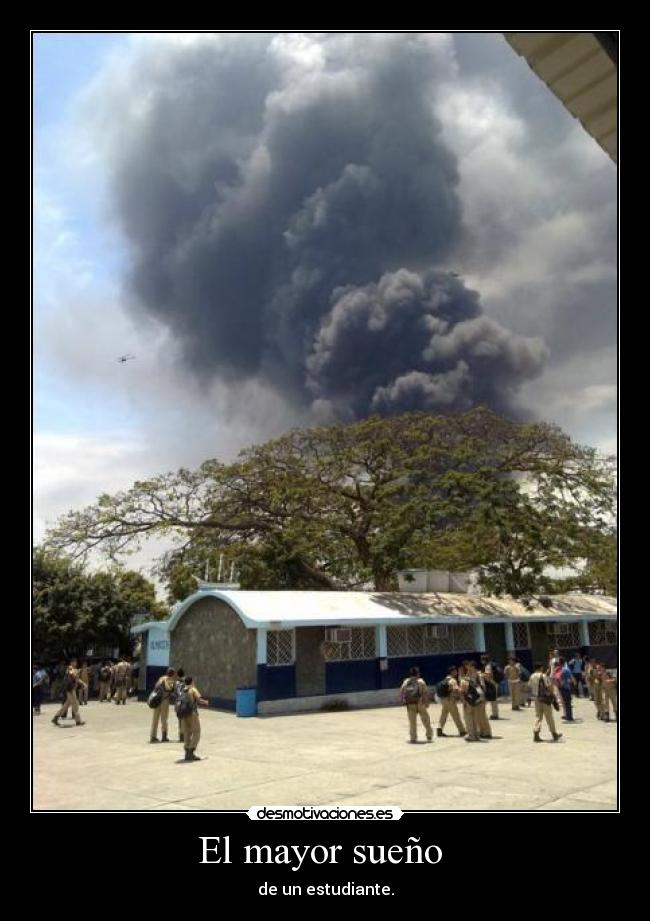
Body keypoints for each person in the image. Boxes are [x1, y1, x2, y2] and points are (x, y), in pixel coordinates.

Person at [176, 676, 209, 762]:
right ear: (192, 682)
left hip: (183, 714)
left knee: (187, 733)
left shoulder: (182, 690)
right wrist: (205, 702)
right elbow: (199, 700)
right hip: (192, 714)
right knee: (197, 732)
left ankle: (187, 752)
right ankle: (191, 751)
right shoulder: (193, 689)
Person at [529, 662, 562, 742]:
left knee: (538, 717)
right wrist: (553, 695)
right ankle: (554, 734)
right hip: (545, 699)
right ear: (541, 668)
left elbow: (529, 686)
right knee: (549, 717)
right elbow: (549, 687)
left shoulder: (532, 676)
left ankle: (536, 733)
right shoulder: (543, 676)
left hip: (536, 699)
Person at [400, 666, 433, 743]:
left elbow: (401, 692)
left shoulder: (406, 682)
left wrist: (403, 700)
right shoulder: (421, 681)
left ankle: (413, 738)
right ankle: (429, 734)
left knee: (412, 722)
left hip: (410, 704)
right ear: (417, 674)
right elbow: (425, 693)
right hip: (420, 703)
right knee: (425, 719)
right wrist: (427, 702)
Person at [51, 660, 86, 727]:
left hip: (72, 689)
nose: (75, 663)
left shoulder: (74, 669)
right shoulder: (70, 668)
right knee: (75, 704)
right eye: (74, 661)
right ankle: (78, 721)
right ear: (71, 663)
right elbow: (73, 675)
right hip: (70, 689)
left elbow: (76, 679)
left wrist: (82, 682)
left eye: (75, 662)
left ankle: (55, 718)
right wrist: (78, 672)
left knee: (66, 706)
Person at [436, 666, 467, 737]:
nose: (456, 672)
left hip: (444, 700)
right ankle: (462, 730)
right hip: (450, 700)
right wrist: (462, 699)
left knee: (443, 715)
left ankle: (439, 729)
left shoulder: (445, 679)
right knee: (456, 715)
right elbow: (456, 690)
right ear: (452, 672)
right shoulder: (452, 680)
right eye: (455, 671)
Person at [459, 661, 484, 742]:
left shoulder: (463, 681)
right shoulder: (474, 682)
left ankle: (471, 736)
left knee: (468, 720)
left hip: (468, 703)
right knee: (475, 719)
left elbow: (462, 693)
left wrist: (464, 702)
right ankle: (477, 735)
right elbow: (480, 692)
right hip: (475, 702)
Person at [150, 668, 176, 743]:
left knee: (155, 719)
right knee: (164, 719)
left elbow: (155, 686)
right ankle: (164, 736)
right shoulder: (170, 680)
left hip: (157, 700)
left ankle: (153, 736)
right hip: (164, 701)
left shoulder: (161, 678)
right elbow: (170, 690)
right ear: (172, 674)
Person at [553, 657, 574, 722]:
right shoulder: (566, 670)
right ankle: (569, 717)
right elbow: (571, 679)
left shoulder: (557, 669)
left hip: (559, 687)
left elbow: (553, 678)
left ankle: (566, 715)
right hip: (566, 687)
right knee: (568, 702)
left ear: (559, 663)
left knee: (564, 702)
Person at [480, 654, 500, 720]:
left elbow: (488, 675)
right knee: (493, 700)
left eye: (482, 660)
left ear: (484, 660)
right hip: (494, 683)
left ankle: (495, 715)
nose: (481, 661)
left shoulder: (487, 666)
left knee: (493, 700)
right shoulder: (490, 665)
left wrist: (482, 675)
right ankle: (495, 714)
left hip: (491, 684)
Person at [174, 669, 186, 742]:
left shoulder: (176, 683)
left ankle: (181, 735)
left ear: (178, 675)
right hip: (184, 702)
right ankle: (183, 735)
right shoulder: (186, 682)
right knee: (184, 719)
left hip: (177, 702)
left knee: (179, 719)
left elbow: (174, 693)